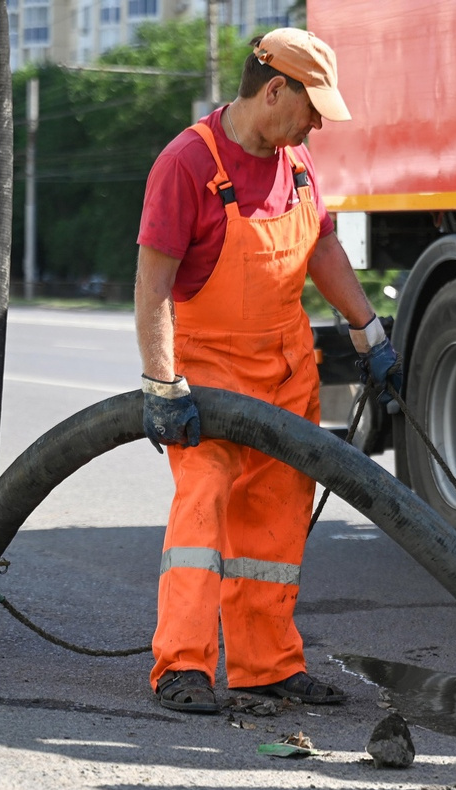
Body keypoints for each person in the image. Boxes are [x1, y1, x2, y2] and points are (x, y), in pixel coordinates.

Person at [134, 28, 401, 713]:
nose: (316, 124)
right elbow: (154, 286)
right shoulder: (187, 163)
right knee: (202, 515)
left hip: (285, 376)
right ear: (274, 89)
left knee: (276, 528)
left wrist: (370, 332)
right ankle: (183, 667)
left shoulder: (299, 165)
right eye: (312, 108)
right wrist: (163, 384)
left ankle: (266, 665)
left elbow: (324, 250)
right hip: (210, 381)